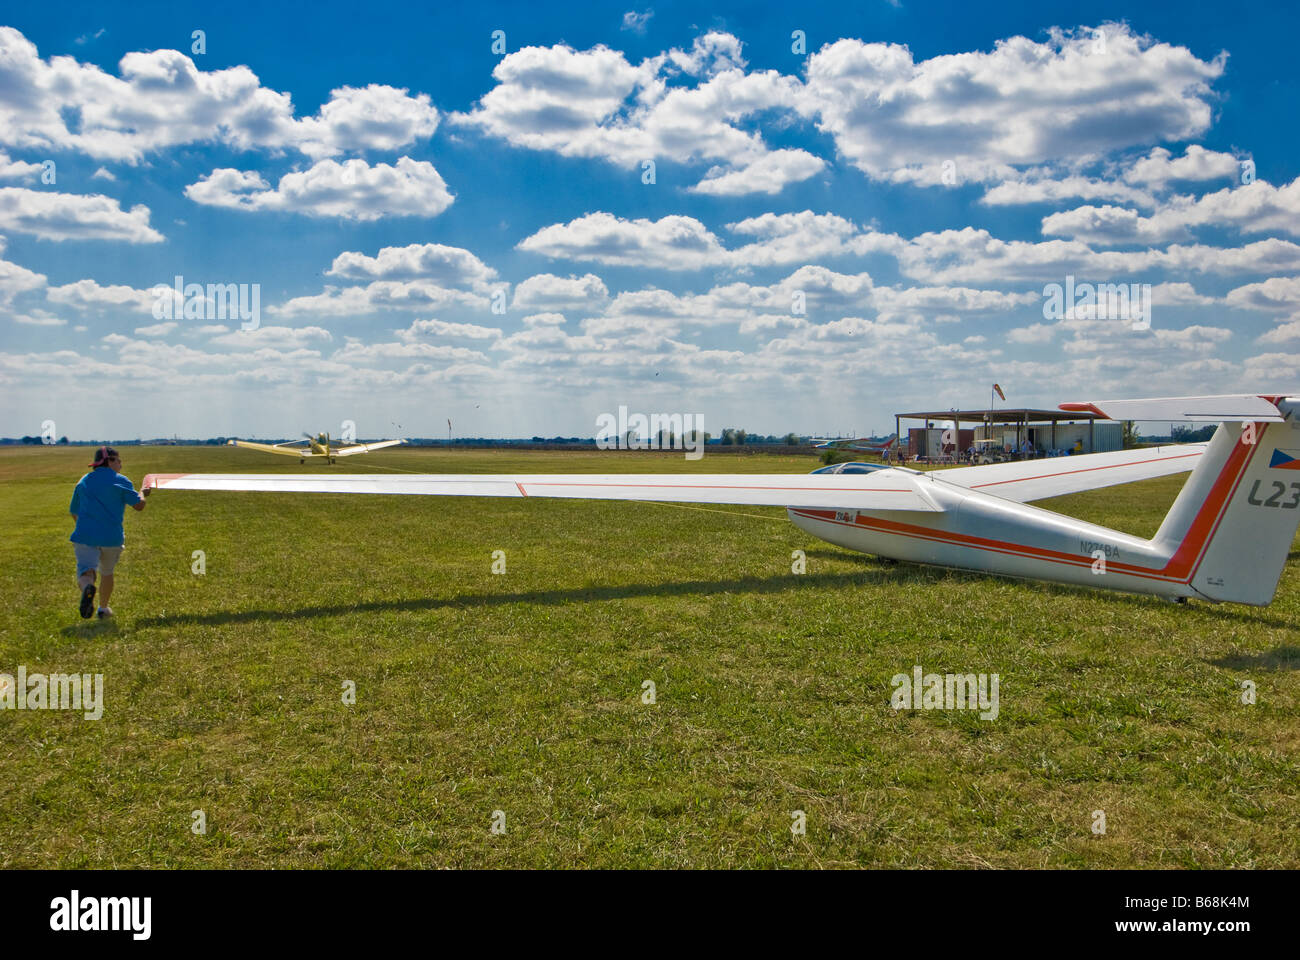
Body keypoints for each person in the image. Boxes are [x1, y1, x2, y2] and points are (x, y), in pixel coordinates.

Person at [69, 446, 149, 619]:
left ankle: (87, 587)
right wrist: (143, 492)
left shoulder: (83, 481)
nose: (120, 464)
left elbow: (74, 511)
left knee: (86, 571)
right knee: (107, 572)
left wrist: (85, 528)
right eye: (118, 460)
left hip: (85, 536)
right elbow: (139, 505)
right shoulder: (121, 480)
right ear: (109, 461)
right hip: (112, 538)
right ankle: (103, 609)